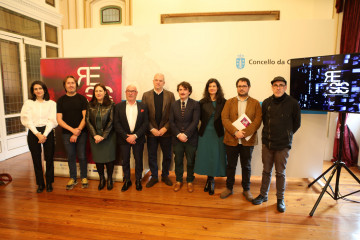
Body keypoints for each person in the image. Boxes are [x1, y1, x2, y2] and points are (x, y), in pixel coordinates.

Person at [252, 76, 301, 213]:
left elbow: (296, 124)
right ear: (272, 87)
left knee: (280, 173)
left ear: (285, 87)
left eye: (281, 85)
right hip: (267, 143)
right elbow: (262, 121)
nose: (278, 87)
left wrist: (286, 135)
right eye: (275, 85)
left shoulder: (293, 103)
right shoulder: (267, 102)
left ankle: (280, 199)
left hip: (283, 145)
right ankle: (263, 195)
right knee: (266, 171)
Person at [220, 77, 262, 201]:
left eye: (244, 86)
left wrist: (244, 133)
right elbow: (224, 119)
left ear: (248, 87)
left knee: (246, 166)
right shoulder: (229, 102)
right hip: (231, 139)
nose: (241, 88)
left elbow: (257, 121)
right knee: (231, 165)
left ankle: (246, 189)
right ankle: (229, 188)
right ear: (236, 87)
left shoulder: (255, 103)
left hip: (247, 140)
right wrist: (235, 132)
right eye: (239, 86)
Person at [21, 81, 57, 193]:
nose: (38, 91)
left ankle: (50, 183)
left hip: (48, 131)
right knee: (36, 159)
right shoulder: (28, 103)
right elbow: (26, 119)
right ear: (33, 91)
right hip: (33, 132)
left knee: (49, 158)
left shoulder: (51, 103)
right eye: (35, 89)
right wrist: (37, 134)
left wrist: (44, 135)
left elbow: (53, 120)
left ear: (44, 90)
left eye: (40, 88)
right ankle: (40, 184)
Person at [142, 73, 175, 188]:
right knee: (152, 155)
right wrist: (151, 129)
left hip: (166, 132)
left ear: (164, 83)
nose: (158, 82)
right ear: (153, 81)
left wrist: (165, 128)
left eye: (160, 80)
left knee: (167, 155)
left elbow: (173, 114)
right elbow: (144, 115)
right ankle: (154, 176)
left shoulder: (170, 95)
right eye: (156, 80)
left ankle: (165, 175)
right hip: (152, 132)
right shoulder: (146, 95)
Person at [194, 78, 227, 195]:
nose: (212, 88)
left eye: (214, 86)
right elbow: (198, 118)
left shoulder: (223, 101)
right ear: (207, 89)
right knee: (207, 156)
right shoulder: (202, 102)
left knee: (215, 156)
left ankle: (211, 180)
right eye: (210, 86)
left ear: (218, 88)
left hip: (217, 133)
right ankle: (209, 179)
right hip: (205, 133)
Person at [114, 84, 148, 192]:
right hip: (123, 139)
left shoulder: (143, 106)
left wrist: (135, 135)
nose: (130, 93)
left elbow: (145, 123)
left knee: (138, 160)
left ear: (136, 93)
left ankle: (138, 180)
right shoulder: (118, 107)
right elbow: (116, 123)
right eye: (128, 91)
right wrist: (126, 136)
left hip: (138, 138)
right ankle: (127, 180)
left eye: (133, 91)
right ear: (125, 92)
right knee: (125, 161)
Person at [57, 76, 88, 190]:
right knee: (71, 156)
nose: (71, 85)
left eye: (73, 83)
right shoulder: (61, 100)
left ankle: (84, 177)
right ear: (65, 86)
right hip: (66, 134)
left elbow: (85, 117)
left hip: (82, 133)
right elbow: (59, 119)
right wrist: (72, 131)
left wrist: (77, 131)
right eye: (68, 83)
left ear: (76, 85)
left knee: (82, 156)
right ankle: (73, 178)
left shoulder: (82, 99)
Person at [169, 81, 200, 193]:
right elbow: (171, 122)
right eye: (180, 89)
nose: (182, 91)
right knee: (178, 160)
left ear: (189, 91)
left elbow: (195, 121)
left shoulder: (195, 104)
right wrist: (178, 134)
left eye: (185, 89)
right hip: (177, 139)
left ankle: (190, 181)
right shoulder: (174, 104)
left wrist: (186, 134)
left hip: (191, 138)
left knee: (191, 161)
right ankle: (178, 181)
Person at [85, 83, 116, 191]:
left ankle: (110, 179)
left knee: (109, 159)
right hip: (95, 137)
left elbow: (112, 121)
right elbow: (87, 121)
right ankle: (102, 179)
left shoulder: (111, 105)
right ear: (94, 93)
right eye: (96, 91)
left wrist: (103, 136)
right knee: (98, 160)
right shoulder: (90, 105)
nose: (98, 93)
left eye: (100, 91)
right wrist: (95, 135)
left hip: (108, 137)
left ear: (105, 92)